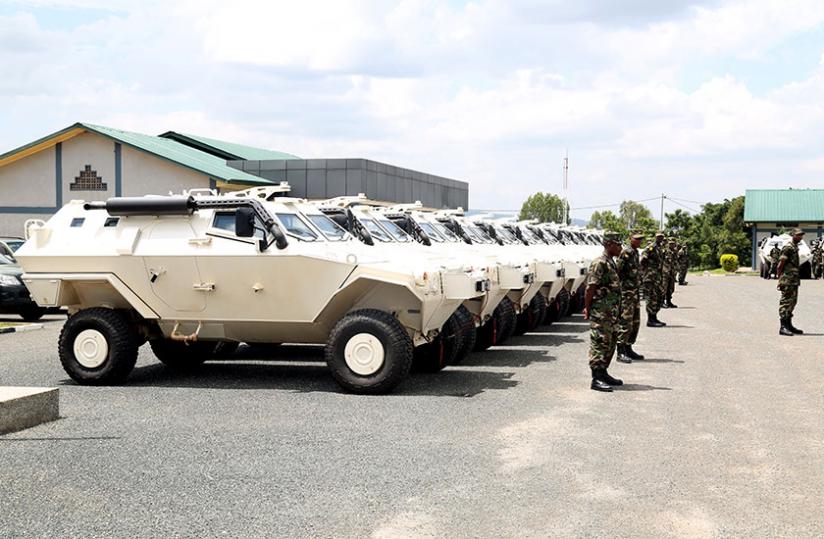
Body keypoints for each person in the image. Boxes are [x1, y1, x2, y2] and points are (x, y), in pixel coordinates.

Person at [583, 231, 625, 392]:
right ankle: (596, 378)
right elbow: (590, 288)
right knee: (599, 343)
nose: (620, 247)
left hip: (611, 312)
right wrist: (587, 307)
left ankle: (604, 372)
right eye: (617, 244)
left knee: (610, 342)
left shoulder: (611, 262)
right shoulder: (599, 263)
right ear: (608, 245)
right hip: (601, 312)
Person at [616, 232, 645, 364]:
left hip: (634, 293)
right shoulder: (626, 253)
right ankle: (621, 351)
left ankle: (628, 347)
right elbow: (618, 272)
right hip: (626, 293)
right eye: (637, 239)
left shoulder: (635, 252)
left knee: (635, 322)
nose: (639, 241)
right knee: (625, 322)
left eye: (640, 239)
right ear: (630, 239)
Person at [776, 228, 805, 336]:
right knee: (785, 302)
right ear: (793, 235)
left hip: (793, 280)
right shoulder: (788, 247)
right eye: (798, 235)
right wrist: (780, 280)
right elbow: (780, 265)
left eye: (801, 235)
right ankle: (783, 327)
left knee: (792, 302)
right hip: (787, 280)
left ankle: (789, 325)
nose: (800, 237)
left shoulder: (795, 247)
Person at [641, 231, 666, 327]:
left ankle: (654, 317)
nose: (660, 238)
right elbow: (643, 259)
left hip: (657, 277)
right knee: (651, 298)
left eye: (662, 237)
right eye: (659, 237)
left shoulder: (660, 247)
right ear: (655, 237)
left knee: (657, 297)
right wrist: (646, 271)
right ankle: (650, 320)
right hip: (650, 278)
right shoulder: (651, 247)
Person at [662, 238, 678, 308]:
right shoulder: (664, 251)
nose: (672, 245)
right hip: (665, 272)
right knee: (664, 288)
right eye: (670, 243)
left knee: (671, 288)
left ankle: (669, 302)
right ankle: (662, 302)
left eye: (673, 243)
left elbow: (675, 261)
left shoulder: (675, 251)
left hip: (672, 272)